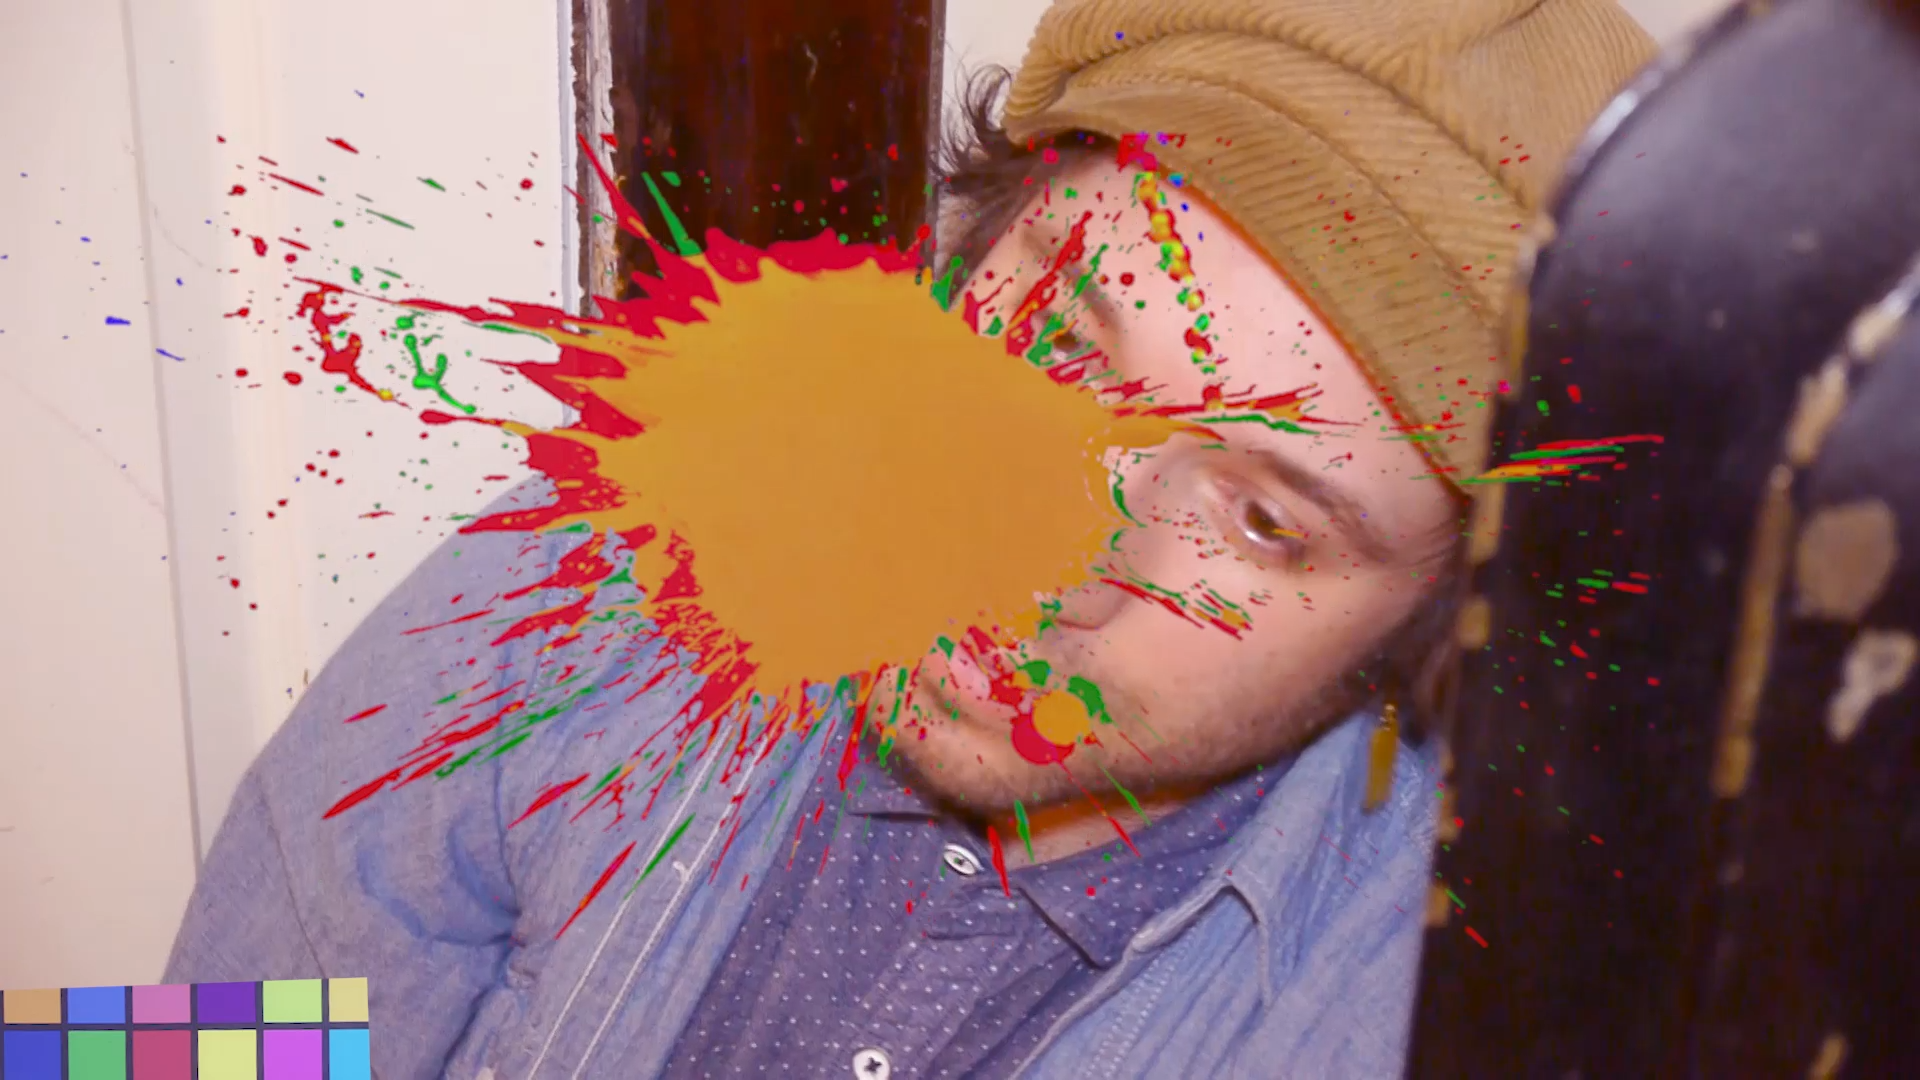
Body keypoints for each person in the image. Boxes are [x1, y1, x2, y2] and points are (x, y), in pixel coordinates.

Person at [165, 1, 1653, 1076]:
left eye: (1261, 520)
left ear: (1442, 623)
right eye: (1062, 338)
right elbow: (215, 1038)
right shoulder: (603, 567)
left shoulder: (1475, 997)